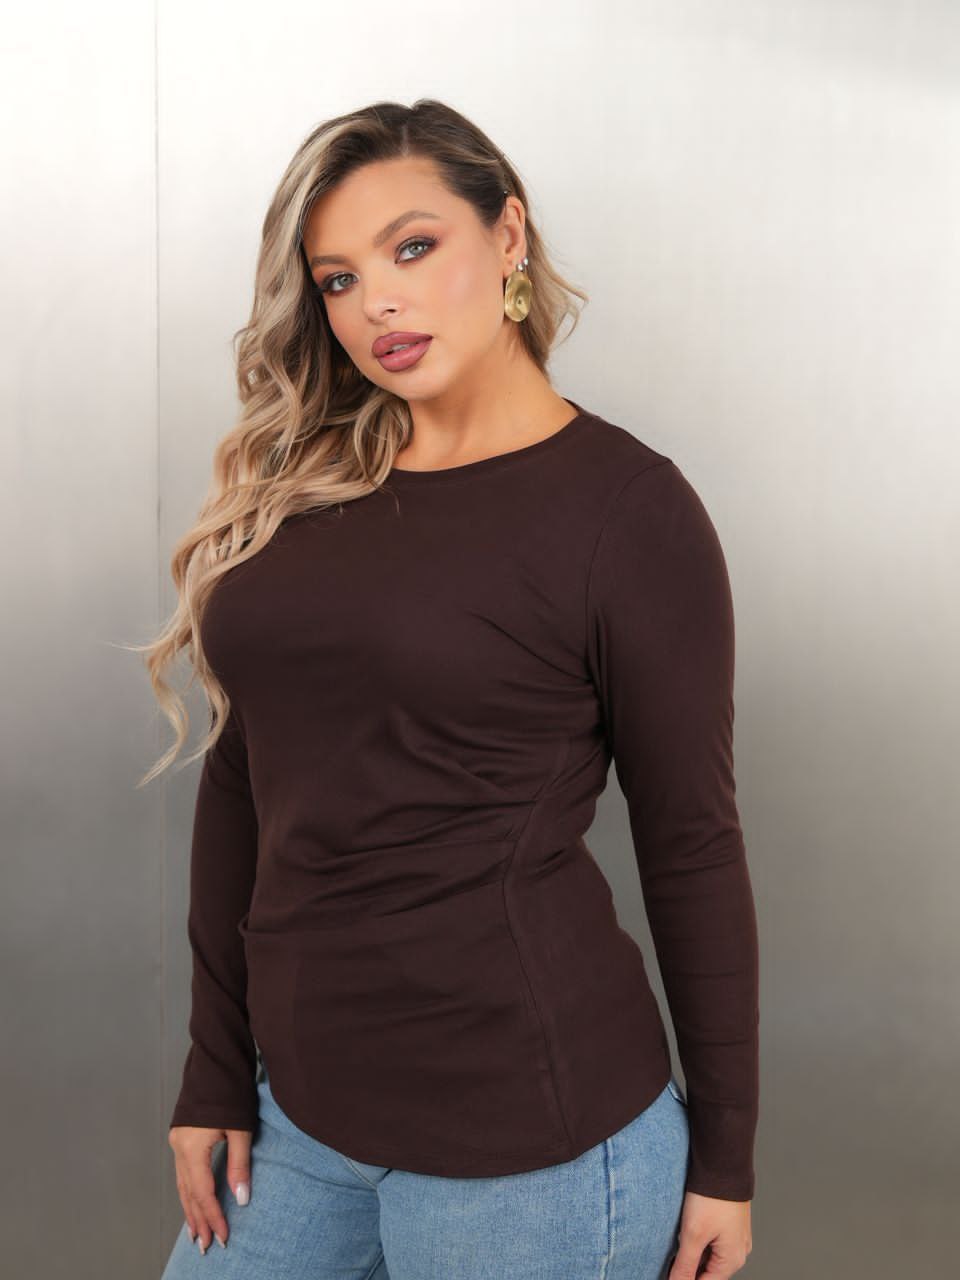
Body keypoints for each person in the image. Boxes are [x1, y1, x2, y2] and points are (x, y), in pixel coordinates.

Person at [144, 98, 758, 1280]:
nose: (375, 301)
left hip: (531, 1141)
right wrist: (214, 1068)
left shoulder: (627, 513)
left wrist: (725, 1156)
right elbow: (245, 777)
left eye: (413, 247)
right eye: (338, 277)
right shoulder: (312, 490)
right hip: (302, 1113)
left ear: (508, 234)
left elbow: (693, 842)